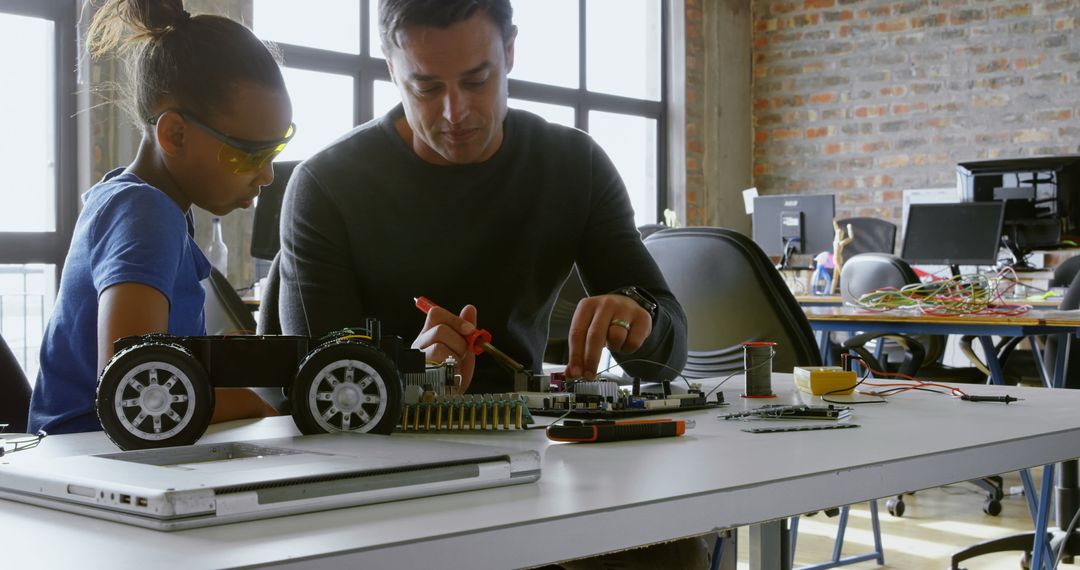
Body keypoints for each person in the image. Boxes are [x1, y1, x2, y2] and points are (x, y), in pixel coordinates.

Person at [279, 0, 688, 396]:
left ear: (509, 50)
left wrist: (642, 320)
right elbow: (314, 383)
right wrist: (408, 376)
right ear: (391, 69)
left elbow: (669, 358)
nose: (455, 113)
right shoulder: (325, 186)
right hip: (382, 445)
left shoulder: (576, 166)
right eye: (426, 87)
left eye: (476, 81)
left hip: (533, 438)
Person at [27, 0, 294, 435]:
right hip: (88, 454)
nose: (265, 176)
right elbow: (129, 389)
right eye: (249, 155)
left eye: (274, 152)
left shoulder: (139, 204)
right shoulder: (145, 213)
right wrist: (246, 403)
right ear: (176, 134)